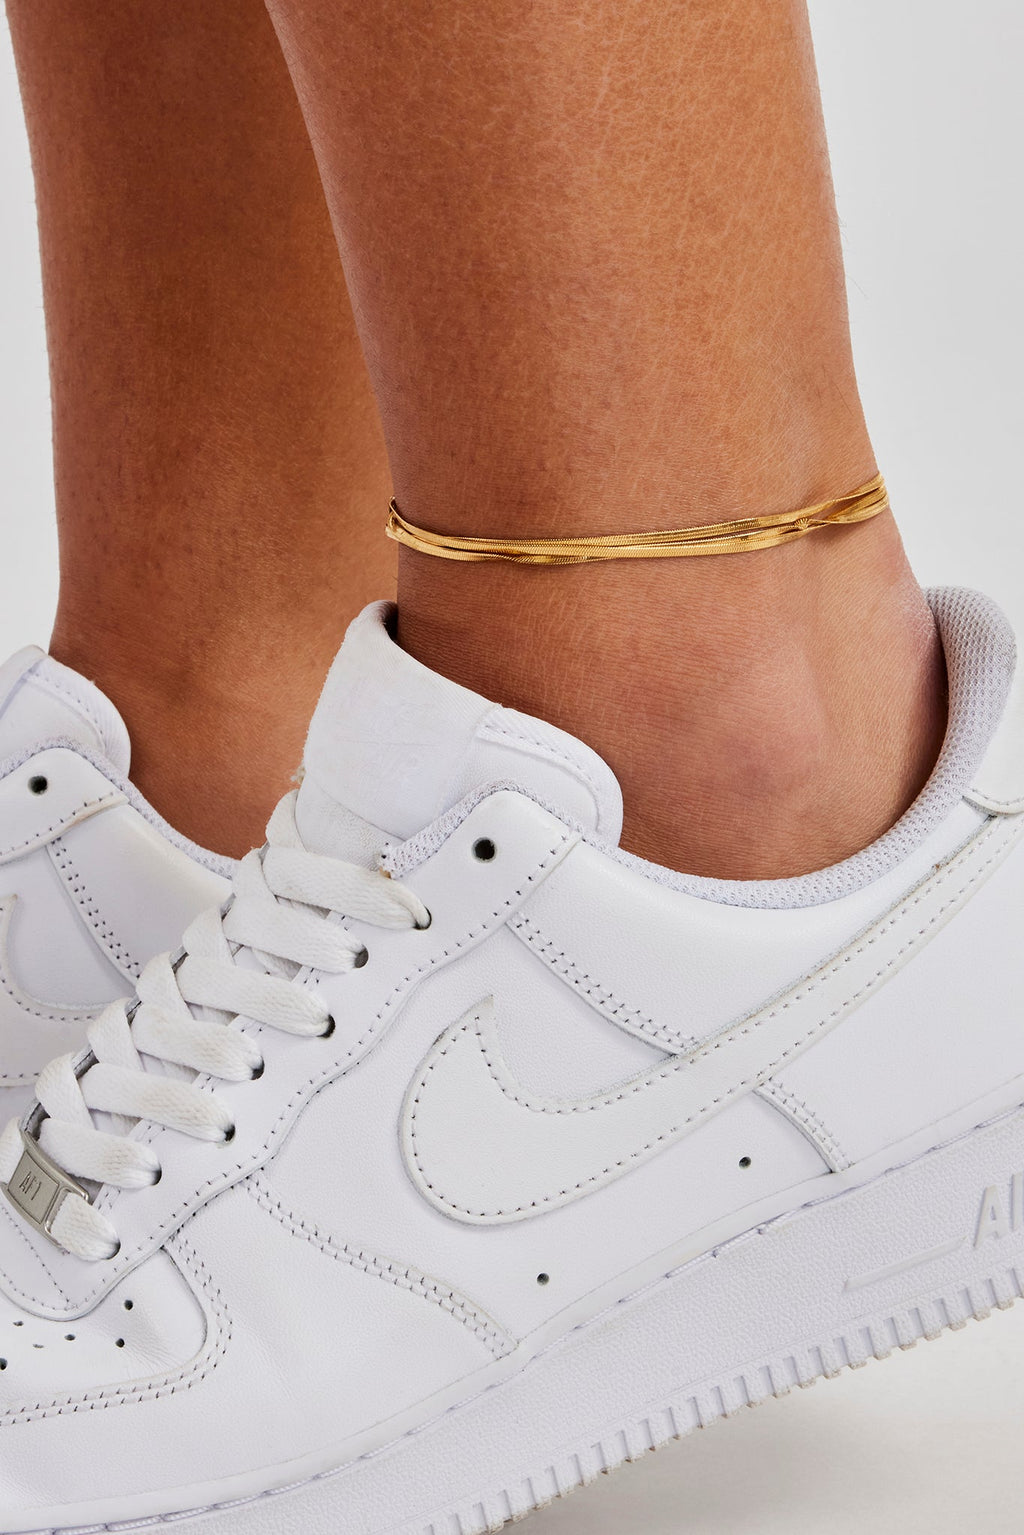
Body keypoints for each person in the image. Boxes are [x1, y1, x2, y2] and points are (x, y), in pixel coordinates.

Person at [0, 3, 1020, 1531]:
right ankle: (215, 738)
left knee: (671, 674)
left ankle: (717, 732)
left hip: (709, 780)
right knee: (212, 669)